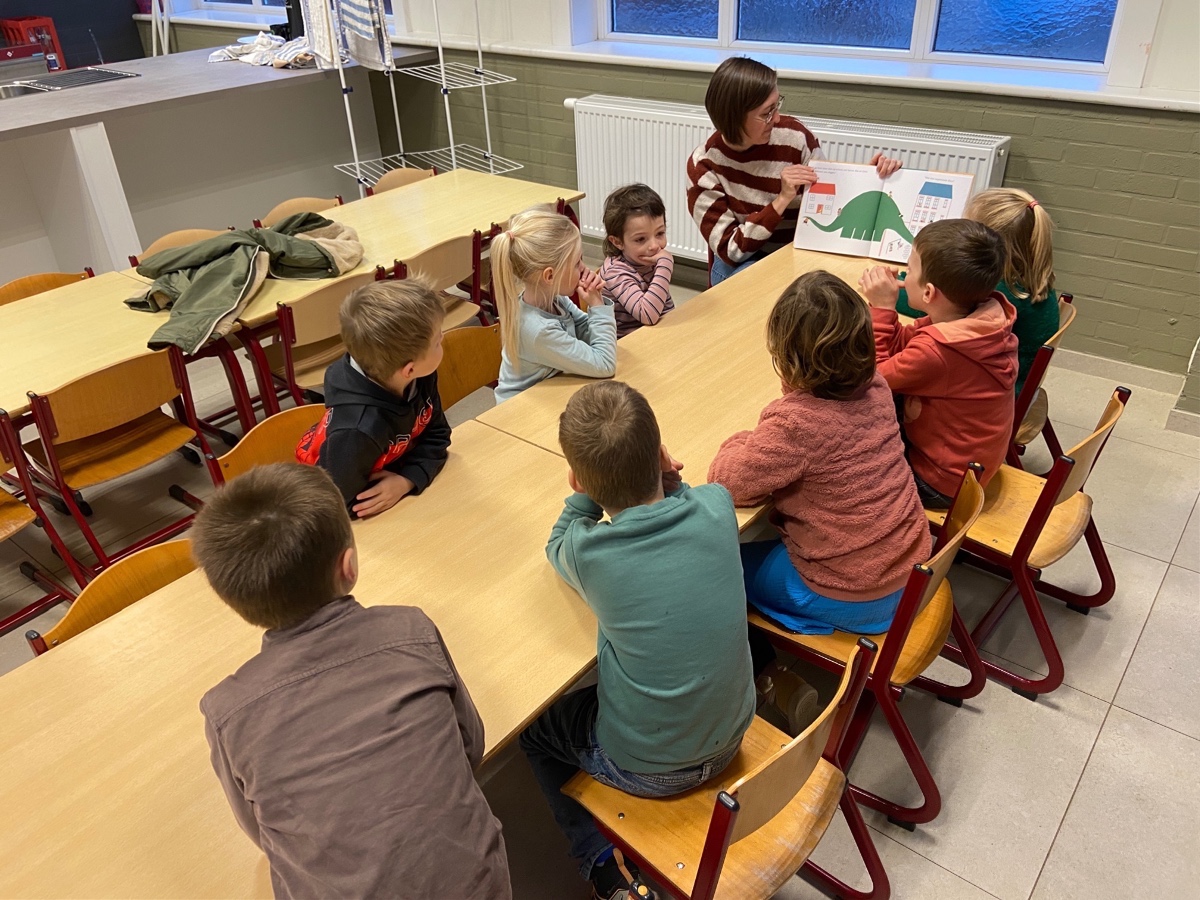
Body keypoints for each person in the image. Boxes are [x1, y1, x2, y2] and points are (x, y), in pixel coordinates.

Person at [194, 463, 510, 900]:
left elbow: (261, 832)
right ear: (349, 566)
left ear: (234, 603)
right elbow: (470, 745)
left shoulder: (226, 711)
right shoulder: (409, 631)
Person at [521, 381, 755, 900]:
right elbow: (689, 497)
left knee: (536, 732)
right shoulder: (718, 506)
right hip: (734, 736)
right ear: (661, 455)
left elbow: (557, 540)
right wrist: (667, 477)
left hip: (648, 770)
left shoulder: (589, 554)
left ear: (577, 479)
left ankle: (600, 864)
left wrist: (587, 488)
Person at [708, 272, 930, 732]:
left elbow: (728, 481)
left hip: (857, 595)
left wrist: (740, 439)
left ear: (787, 360)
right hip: (912, 573)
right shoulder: (877, 387)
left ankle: (767, 676)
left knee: (711, 570)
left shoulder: (796, 424)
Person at [687, 56, 902, 285]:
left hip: (796, 252)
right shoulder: (704, 166)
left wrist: (870, 177)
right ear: (734, 119)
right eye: (766, 113)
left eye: (776, 105)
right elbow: (731, 250)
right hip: (746, 259)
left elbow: (831, 202)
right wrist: (781, 201)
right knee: (757, 283)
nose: (777, 118)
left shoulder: (795, 136)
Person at [860, 218, 1017, 508]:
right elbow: (905, 346)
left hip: (941, 482)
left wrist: (881, 309)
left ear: (929, 293)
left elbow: (874, 379)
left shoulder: (940, 351)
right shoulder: (977, 321)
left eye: (909, 269)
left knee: (842, 458)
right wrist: (884, 314)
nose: (903, 275)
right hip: (971, 467)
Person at [295, 279, 450, 519]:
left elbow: (438, 435)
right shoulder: (357, 430)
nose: (444, 339)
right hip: (333, 499)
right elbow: (336, 504)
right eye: (438, 341)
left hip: (392, 475)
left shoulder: (420, 374)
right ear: (408, 369)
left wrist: (407, 480)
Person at [895, 187, 1059, 394]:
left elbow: (928, 306)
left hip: (995, 393)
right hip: (1012, 381)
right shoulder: (1031, 278)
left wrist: (893, 289)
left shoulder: (997, 292)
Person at [492, 206, 617, 401]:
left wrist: (596, 303)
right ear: (550, 276)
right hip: (522, 409)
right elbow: (605, 364)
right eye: (577, 263)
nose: (584, 268)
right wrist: (598, 307)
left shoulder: (553, 299)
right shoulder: (538, 330)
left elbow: (586, 334)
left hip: (548, 392)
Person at [598, 183, 675, 337]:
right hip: (630, 342)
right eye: (640, 239)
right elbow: (648, 315)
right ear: (617, 242)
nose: (654, 246)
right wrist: (665, 266)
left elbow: (666, 310)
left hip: (658, 333)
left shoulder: (646, 261)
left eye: (660, 233)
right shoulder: (615, 272)